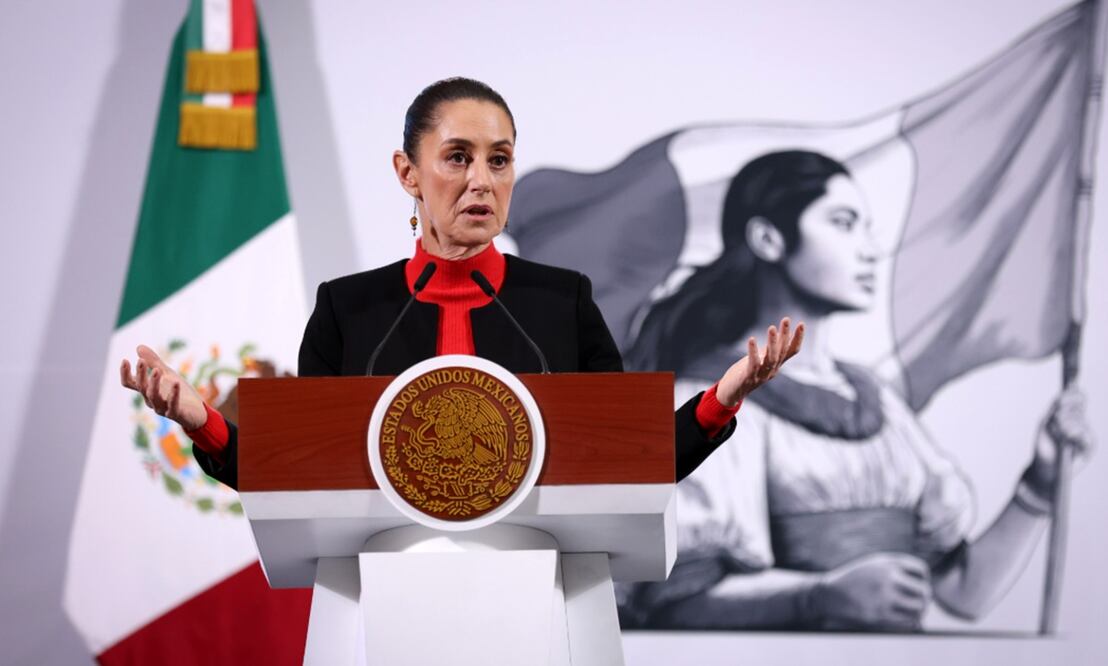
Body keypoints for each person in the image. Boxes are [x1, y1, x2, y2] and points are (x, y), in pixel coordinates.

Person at [118, 77, 805, 491]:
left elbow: (635, 461)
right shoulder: (349, 310)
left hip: (537, 598)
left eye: (499, 160)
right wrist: (199, 419)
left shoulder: (563, 304)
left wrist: (722, 397)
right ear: (408, 174)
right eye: (457, 157)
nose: (481, 179)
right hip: (386, 600)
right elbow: (292, 475)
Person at [619, 150, 1093, 631]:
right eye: (844, 223)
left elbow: (961, 593)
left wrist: (1040, 482)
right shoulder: (707, 402)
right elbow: (676, 604)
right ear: (768, 239)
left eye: (867, 227)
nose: (869, 249)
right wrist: (818, 598)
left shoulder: (878, 401)